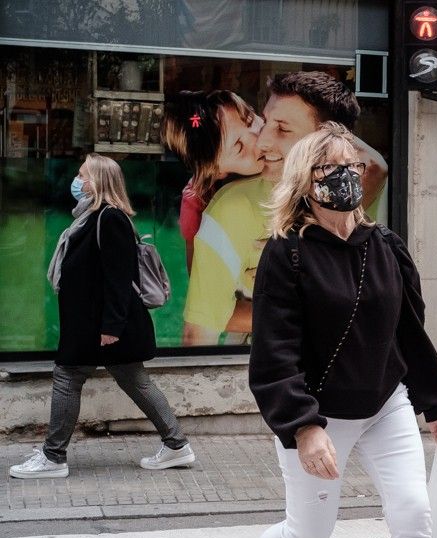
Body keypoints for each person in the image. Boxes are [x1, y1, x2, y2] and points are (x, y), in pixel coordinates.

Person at [219, 123, 437, 538]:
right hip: (319, 416)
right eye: (332, 168)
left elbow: (408, 332)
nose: (346, 176)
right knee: (309, 533)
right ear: (306, 182)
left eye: (353, 165)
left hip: (386, 405)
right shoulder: (286, 256)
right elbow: (274, 354)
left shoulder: (385, 247)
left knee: (413, 514)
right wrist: (305, 428)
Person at [9, 155, 194, 479]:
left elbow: (119, 278)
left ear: (98, 182)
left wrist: (111, 327)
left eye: (82, 175)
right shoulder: (88, 219)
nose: (77, 182)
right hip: (94, 324)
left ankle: (53, 458)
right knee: (135, 381)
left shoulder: (110, 219)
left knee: (67, 377)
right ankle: (177, 446)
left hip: (103, 326)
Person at [182, 71, 388, 344]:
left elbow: (375, 166)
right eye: (266, 122)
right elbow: (201, 329)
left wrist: (312, 246)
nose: (262, 141)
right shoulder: (230, 206)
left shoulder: (367, 190)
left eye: (283, 128)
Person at [161, 90, 264, 272]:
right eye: (239, 148)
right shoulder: (198, 203)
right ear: (216, 171)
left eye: (250, 120)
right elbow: (201, 278)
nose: (258, 139)